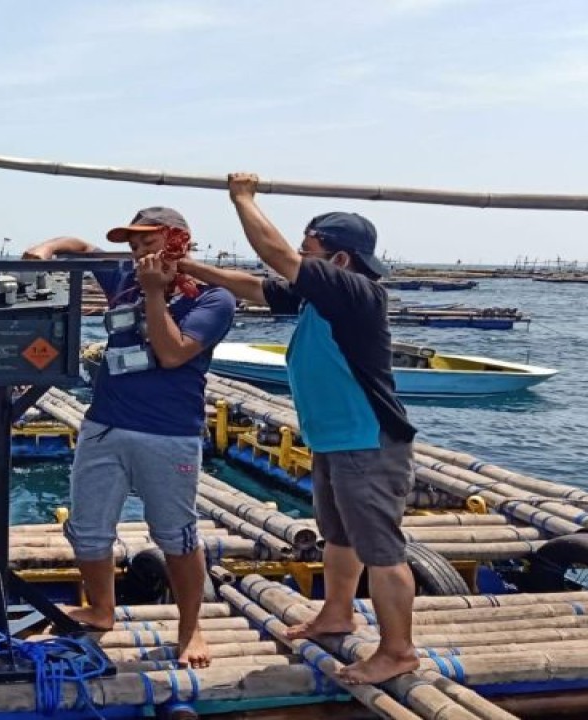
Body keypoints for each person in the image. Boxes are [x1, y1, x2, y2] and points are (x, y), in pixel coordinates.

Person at [176, 173, 418, 684]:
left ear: (339, 261)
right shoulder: (319, 297)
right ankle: (337, 612)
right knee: (338, 536)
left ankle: (398, 650)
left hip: (367, 440)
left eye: (310, 251)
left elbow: (276, 256)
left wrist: (242, 199)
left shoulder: (356, 294)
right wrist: (187, 267)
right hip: (334, 439)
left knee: (381, 548)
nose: (300, 259)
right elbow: (257, 287)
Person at [23, 206, 235, 668]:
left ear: (178, 239)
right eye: (132, 244)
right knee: (88, 526)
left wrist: (156, 295)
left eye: (147, 242)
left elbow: (174, 354)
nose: (137, 252)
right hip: (105, 424)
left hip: (169, 433)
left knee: (175, 534)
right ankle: (101, 608)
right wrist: (46, 250)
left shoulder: (214, 299)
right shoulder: (122, 274)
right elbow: (78, 247)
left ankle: (190, 627)